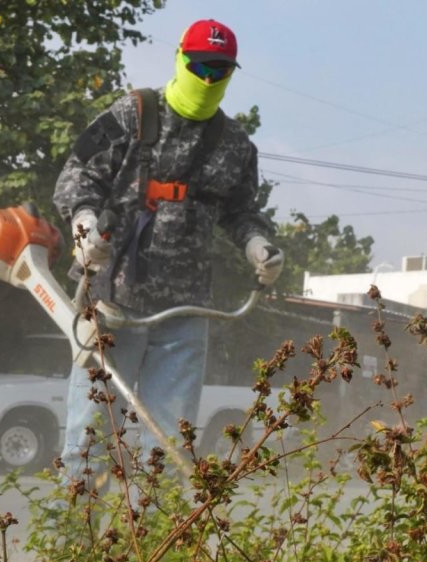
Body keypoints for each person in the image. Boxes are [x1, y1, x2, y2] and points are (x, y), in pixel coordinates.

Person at [52, 19, 284, 488]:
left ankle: (156, 535)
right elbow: (78, 175)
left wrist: (258, 245)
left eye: (219, 70)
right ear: (180, 58)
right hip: (113, 302)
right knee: (89, 442)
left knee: (168, 449)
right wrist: (85, 228)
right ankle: (71, 533)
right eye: (200, 66)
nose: (208, 78)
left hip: (185, 312)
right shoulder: (133, 113)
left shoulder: (235, 145)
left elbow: (242, 212)